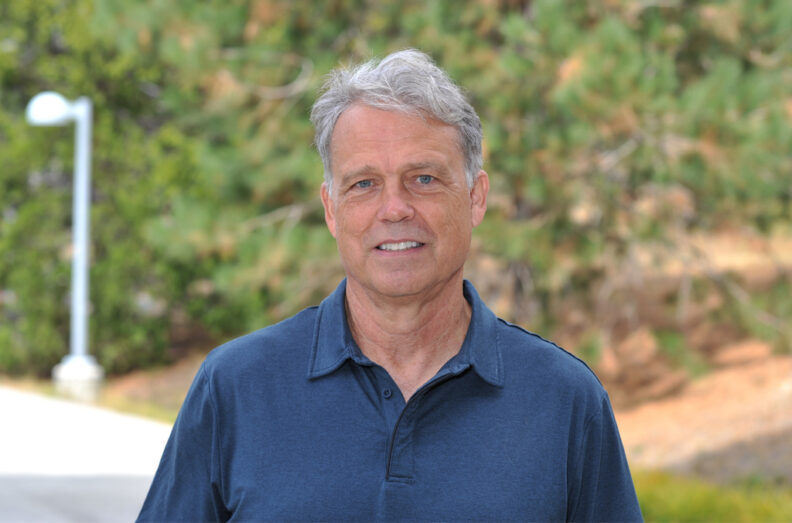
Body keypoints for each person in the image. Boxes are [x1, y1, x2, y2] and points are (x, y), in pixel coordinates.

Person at [138, 49, 642, 522]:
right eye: (364, 184)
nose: (394, 208)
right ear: (332, 210)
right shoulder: (236, 387)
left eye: (423, 178)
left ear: (475, 197)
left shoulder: (565, 400)